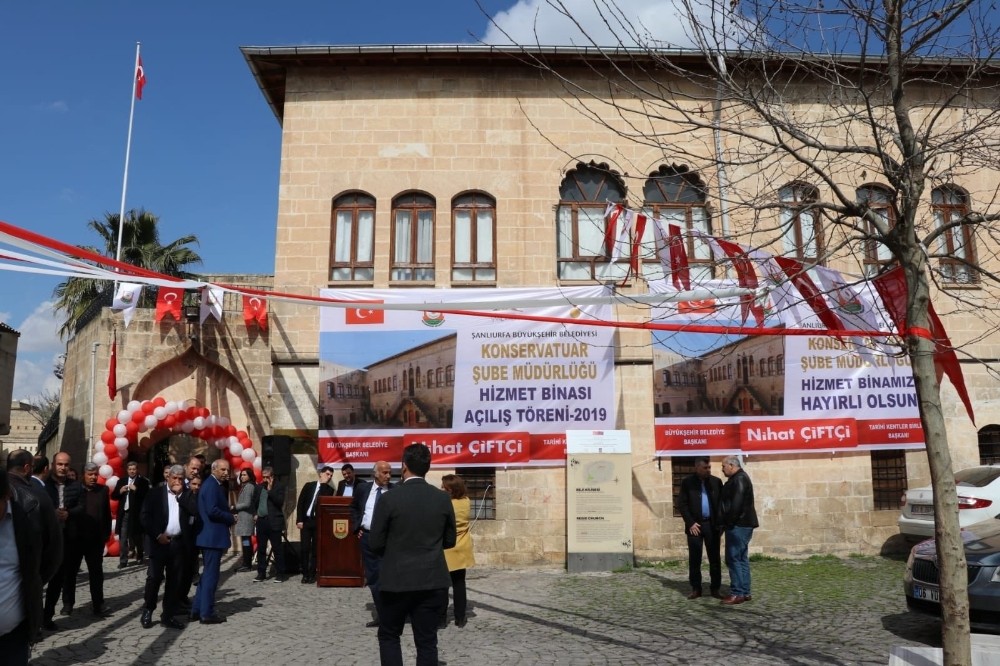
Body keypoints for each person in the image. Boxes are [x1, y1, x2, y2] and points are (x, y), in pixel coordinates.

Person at [370, 444, 456, 666]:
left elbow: (375, 543)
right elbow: (450, 540)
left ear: (404, 466)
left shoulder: (389, 498)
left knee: (389, 635)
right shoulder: (442, 498)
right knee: (427, 641)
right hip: (432, 579)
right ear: (428, 467)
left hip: (396, 580)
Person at [0, 467, 62, 665]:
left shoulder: (30, 512)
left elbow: (52, 556)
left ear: (7, 495)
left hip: (12, 638)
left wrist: (31, 584)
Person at [139, 465, 190, 630]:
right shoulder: (155, 493)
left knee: (174, 581)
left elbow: (195, 512)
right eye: (174, 478)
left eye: (180, 478)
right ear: (168, 478)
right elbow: (145, 517)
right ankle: (148, 609)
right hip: (159, 542)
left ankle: (168, 615)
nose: (177, 481)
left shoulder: (187, 495)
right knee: (154, 578)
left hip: (178, 543)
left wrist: (181, 497)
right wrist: (157, 535)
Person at [42, 451, 83, 630]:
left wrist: (69, 513)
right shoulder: (43, 485)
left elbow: (81, 506)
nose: (63, 468)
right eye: (60, 464)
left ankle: (47, 616)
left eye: (66, 465)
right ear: (53, 465)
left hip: (67, 538)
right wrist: (53, 512)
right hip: (46, 538)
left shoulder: (76, 486)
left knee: (58, 580)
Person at [65, 462, 112, 616]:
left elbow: (106, 514)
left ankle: (98, 604)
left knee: (96, 574)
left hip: (95, 540)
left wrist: (105, 535)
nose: (93, 477)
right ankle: (68, 603)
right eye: (90, 474)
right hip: (75, 539)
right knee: (70, 573)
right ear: (83, 475)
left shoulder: (103, 490)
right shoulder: (75, 490)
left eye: (95, 474)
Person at [350, 460, 394, 626]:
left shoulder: (394, 491)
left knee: (388, 577)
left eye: (390, 473)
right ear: (375, 473)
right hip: (367, 538)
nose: (388, 476)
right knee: (373, 577)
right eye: (384, 472)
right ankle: (382, 615)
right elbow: (354, 508)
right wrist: (357, 527)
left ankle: (393, 613)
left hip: (388, 540)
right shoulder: (363, 489)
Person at [192, 459, 234, 624]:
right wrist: (230, 517)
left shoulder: (213, 484)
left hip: (210, 537)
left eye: (227, 470)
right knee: (211, 576)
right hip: (212, 538)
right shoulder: (211, 485)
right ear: (214, 470)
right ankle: (207, 612)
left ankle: (197, 609)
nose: (226, 473)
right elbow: (212, 510)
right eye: (223, 469)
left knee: (207, 575)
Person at [676, 456, 723, 600]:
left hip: (711, 525)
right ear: (697, 468)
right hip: (695, 526)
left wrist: (720, 525)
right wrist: (690, 522)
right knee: (695, 559)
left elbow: (721, 504)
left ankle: (715, 588)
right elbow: (682, 504)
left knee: (714, 558)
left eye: (709, 468)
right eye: (705, 468)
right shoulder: (687, 482)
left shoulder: (716, 482)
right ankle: (696, 588)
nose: (708, 470)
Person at [719, 455, 759, 606]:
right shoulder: (738, 478)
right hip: (742, 523)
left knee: (734, 558)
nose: (722, 470)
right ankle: (745, 591)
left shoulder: (739, 479)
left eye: (723, 466)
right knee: (741, 558)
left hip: (739, 525)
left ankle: (737, 593)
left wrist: (728, 523)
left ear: (731, 465)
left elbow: (736, 504)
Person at [440, 474, 475, 629]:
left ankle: (441, 618)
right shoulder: (466, 501)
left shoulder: (446, 504)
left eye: (444, 487)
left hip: (447, 547)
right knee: (459, 584)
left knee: (442, 586)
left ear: (451, 490)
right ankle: (460, 618)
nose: (441, 489)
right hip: (461, 547)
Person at [295, 465, 334, 584]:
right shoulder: (309, 486)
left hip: (318, 523)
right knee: (305, 548)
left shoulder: (329, 490)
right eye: (327, 474)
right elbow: (300, 503)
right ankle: (305, 573)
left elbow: (325, 502)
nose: (329, 477)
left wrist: (323, 485)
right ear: (321, 473)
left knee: (316, 549)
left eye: (331, 476)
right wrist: (299, 520)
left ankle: (312, 573)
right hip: (306, 521)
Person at [252, 466, 287, 583]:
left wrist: (270, 490)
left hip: (274, 522)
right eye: (263, 477)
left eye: (267, 477)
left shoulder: (279, 487)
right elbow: (254, 502)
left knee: (277, 549)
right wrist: (255, 514)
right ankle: (261, 573)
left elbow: (279, 502)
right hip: (261, 521)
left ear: (272, 476)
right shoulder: (259, 487)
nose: (265, 479)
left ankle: (280, 573)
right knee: (261, 549)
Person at [111, 461, 150, 568]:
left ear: (137, 470)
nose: (132, 471)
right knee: (123, 538)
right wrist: (120, 491)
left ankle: (140, 555)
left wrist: (136, 489)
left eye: (134, 469)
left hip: (136, 515)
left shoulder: (143, 482)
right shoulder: (121, 481)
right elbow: (114, 496)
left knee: (136, 537)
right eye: (130, 469)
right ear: (127, 470)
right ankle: (123, 560)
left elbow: (146, 496)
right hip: (124, 513)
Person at [233, 468, 257, 573]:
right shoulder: (244, 486)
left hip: (246, 518)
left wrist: (235, 507)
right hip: (243, 518)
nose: (242, 477)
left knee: (246, 541)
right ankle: (246, 563)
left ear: (250, 476)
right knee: (245, 541)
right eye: (241, 475)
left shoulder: (249, 486)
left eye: (245, 475)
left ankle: (247, 564)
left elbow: (247, 503)